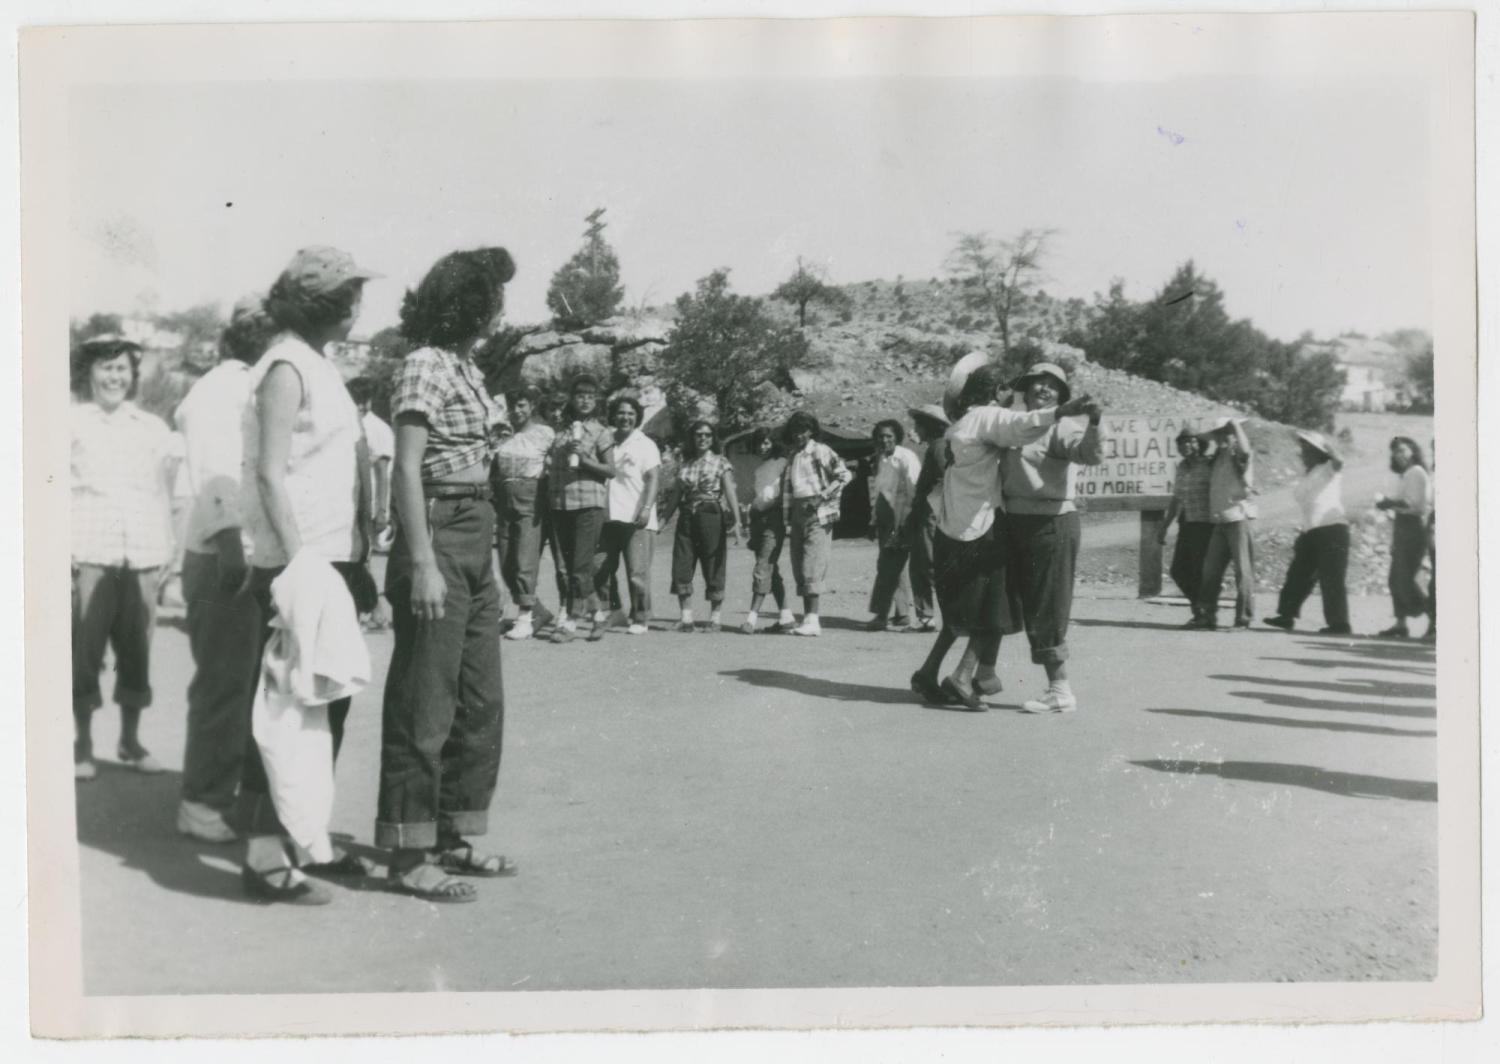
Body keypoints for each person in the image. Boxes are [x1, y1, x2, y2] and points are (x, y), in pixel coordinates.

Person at [238, 245, 382, 904]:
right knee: (287, 710)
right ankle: (265, 856)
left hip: (333, 559)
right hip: (302, 563)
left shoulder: (318, 364)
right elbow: (269, 471)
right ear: (321, 301)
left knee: (328, 708)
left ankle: (303, 842)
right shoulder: (286, 365)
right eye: (349, 294)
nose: (357, 305)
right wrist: (296, 565)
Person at [377, 246, 518, 903]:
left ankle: (455, 831)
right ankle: (408, 853)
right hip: (435, 527)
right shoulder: (424, 365)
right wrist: (423, 562)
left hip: (476, 529)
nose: (499, 308)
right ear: (469, 301)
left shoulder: (466, 367)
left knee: (479, 697)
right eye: (492, 296)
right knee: (425, 701)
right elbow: (406, 467)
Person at [907, 361, 1093, 708]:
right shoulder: (990, 418)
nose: (1015, 396)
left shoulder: (960, 425)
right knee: (996, 604)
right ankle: (969, 677)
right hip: (983, 526)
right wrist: (1062, 411)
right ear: (996, 392)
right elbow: (1021, 426)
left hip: (959, 525)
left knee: (970, 608)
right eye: (1010, 389)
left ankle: (945, 671)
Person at [172, 294, 277, 841]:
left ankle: (217, 789)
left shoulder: (234, 384)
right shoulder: (224, 390)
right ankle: (202, 800)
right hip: (222, 554)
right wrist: (234, 548)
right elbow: (217, 478)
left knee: (237, 679)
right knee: (225, 682)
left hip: (230, 551)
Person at [71, 332, 179, 781]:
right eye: (105, 367)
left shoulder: (152, 429)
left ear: (133, 375)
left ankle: (130, 741)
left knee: (137, 653)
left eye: (121, 369)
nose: (114, 377)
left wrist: (168, 552)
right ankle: (82, 743)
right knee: (84, 653)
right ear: (89, 372)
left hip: (142, 557)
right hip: (90, 554)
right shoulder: (70, 423)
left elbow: (163, 493)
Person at [998, 362, 1104, 715]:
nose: (1042, 389)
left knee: (1047, 606)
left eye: (1051, 386)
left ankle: (1060, 688)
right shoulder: (1014, 423)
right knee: (1004, 599)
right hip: (1012, 522)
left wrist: (1095, 423)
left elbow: (1089, 454)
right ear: (1024, 391)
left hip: (1050, 523)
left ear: (1061, 396)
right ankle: (981, 673)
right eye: (1035, 384)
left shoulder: (1062, 426)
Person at [545, 375, 614, 643]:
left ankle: (571, 623)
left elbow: (611, 470)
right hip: (561, 504)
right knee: (569, 567)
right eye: (580, 395)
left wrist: (585, 460)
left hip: (588, 505)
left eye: (589, 395)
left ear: (595, 401)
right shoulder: (562, 432)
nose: (584, 400)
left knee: (580, 567)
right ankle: (598, 615)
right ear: (572, 399)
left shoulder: (601, 431)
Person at [1262, 431, 1350, 635]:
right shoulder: (1310, 475)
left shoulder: (1328, 468)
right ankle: (1286, 616)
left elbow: (1339, 460)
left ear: (1317, 453)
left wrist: (1326, 444)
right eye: (1303, 450)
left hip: (1332, 529)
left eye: (1307, 450)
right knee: (1297, 575)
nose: (1302, 454)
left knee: (1332, 579)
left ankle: (1339, 624)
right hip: (1311, 531)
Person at [781, 411, 853, 637]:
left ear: (810, 430)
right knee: (799, 565)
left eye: (802, 430)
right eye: (795, 431)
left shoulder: (821, 451)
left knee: (812, 564)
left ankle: (813, 620)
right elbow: (788, 492)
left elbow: (844, 475)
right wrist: (787, 520)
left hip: (818, 512)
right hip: (797, 513)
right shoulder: (793, 456)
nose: (798, 435)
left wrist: (823, 496)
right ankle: (807, 619)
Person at [594, 395, 660, 635]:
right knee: (599, 567)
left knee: (637, 573)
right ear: (614, 415)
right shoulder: (605, 440)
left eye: (631, 414)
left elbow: (653, 478)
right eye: (621, 413)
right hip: (608, 515)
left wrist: (646, 508)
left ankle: (640, 617)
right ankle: (615, 611)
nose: (626, 418)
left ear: (637, 417)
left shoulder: (645, 444)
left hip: (636, 517)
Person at [492, 385, 555, 641]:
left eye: (522, 405)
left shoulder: (544, 433)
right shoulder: (503, 435)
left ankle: (525, 617)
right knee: (507, 561)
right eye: (512, 406)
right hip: (504, 501)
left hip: (532, 499)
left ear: (531, 407)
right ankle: (538, 611)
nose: (516, 411)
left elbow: (556, 465)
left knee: (524, 560)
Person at [667, 420, 739, 632]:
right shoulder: (685, 465)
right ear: (692, 438)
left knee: (713, 563)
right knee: (682, 563)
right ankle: (686, 618)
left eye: (707, 435)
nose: (703, 438)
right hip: (687, 515)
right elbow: (675, 497)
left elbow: (730, 492)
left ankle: (715, 619)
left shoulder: (721, 462)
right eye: (698, 435)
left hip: (710, 513)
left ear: (712, 438)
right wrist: (662, 521)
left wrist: (738, 521)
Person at [1191, 417, 1257, 631]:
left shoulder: (1237, 454)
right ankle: (1207, 616)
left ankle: (1243, 619)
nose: (1220, 437)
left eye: (1224, 433)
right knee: (1210, 571)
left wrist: (1235, 427)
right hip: (1220, 520)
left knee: (1243, 572)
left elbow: (1246, 452)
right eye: (1218, 433)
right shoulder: (1218, 457)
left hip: (1238, 518)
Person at [864, 419, 923, 632]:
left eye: (889, 436)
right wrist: (873, 521)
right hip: (884, 516)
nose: (885, 440)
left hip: (902, 516)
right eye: (880, 436)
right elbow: (878, 492)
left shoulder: (906, 457)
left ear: (896, 437)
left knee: (887, 566)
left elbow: (913, 489)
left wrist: (904, 523)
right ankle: (902, 614)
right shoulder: (880, 459)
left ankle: (880, 615)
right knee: (895, 566)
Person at [346, 376, 394, 628]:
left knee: (362, 560)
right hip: (348, 504)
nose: (360, 406)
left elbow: (383, 474)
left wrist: (382, 510)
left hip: (370, 505)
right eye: (355, 401)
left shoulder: (378, 429)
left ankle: (373, 609)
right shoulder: (345, 423)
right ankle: (369, 610)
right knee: (355, 559)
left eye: (363, 401)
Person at [1375, 435, 1433, 639]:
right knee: (1395, 578)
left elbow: (1415, 505)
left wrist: (1388, 503)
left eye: (1402, 450)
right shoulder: (1406, 474)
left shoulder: (1416, 472)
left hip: (1412, 528)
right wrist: (1390, 503)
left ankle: (1435, 617)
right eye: (1395, 451)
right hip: (1402, 527)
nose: (1398, 455)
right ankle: (1401, 623)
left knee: (1406, 578)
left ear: (1413, 450)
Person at [741, 427, 796, 634]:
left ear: (774, 443)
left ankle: (751, 619)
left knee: (762, 565)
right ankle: (786, 616)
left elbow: (781, 495)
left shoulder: (783, 464)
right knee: (771, 569)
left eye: (766, 442)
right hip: (758, 520)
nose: (763, 447)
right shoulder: (760, 469)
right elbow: (758, 497)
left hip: (774, 519)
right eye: (759, 443)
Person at [1158, 426, 1214, 623]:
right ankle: (1200, 608)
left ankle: (1204, 614)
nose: (1186, 446)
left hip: (1206, 524)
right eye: (1181, 443)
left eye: (1190, 441)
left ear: (1200, 444)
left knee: (1199, 570)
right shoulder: (1182, 467)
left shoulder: (1209, 464)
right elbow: (1177, 498)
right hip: (1187, 522)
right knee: (1178, 570)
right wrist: (1165, 526)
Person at [905, 404, 949, 633]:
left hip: (931, 512)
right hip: (927, 511)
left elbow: (943, 481)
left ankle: (933, 615)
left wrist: (931, 509)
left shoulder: (939, 448)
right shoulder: (935, 447)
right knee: (920, 563)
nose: (915, 429)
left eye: (918, 425)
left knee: (928, 563)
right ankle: (925, 615)